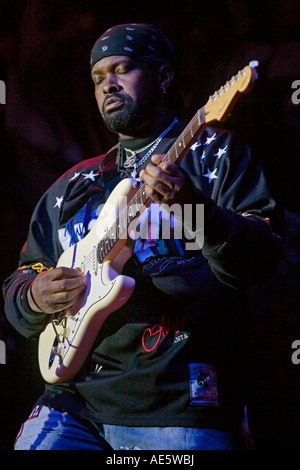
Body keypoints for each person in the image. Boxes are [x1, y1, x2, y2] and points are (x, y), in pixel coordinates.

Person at [3, 23, 283, 450]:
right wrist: (36, 295)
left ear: (164, 76)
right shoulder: (74, 185)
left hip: (177, 405)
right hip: (70, 403)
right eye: (98, 78)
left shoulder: (215, 156)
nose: (107, 85)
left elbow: (262, 257)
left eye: (122, 69)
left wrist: (197, 211)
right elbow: (23, 276)